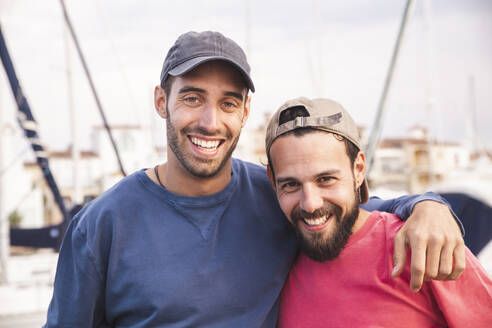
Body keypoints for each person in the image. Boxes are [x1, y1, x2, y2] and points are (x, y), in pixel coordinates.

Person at [44, 31, 465, 327]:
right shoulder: (102, 225)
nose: (210, 122)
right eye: (192, 98)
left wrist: (428, 204)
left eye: (228, 103)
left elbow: (352, 209)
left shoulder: (278, 195)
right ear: (161, 101)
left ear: (245, 113)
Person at [264, 97, 492, 327]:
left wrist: (430, 204)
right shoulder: (276, 261)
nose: (310, 204)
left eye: (326, 179)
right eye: (291, 185)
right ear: (273, 182)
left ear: (359, 170)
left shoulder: (422, 243)